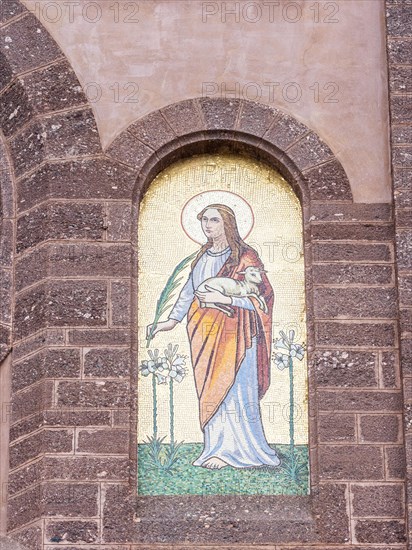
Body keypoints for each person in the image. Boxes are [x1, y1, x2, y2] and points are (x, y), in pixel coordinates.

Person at [146, 204, 280, 470]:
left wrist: (225, 298)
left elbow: (262, 297)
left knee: (236, 390)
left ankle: (245, 451)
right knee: (210, 388)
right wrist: (170, 320)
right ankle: (215, 449)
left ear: (227, 224)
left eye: (214, 220)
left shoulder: (245, 256)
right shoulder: (202, 255)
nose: (208, 226)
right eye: (204, 220)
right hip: (204, 331)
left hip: (238, 335)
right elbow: (189, 290)